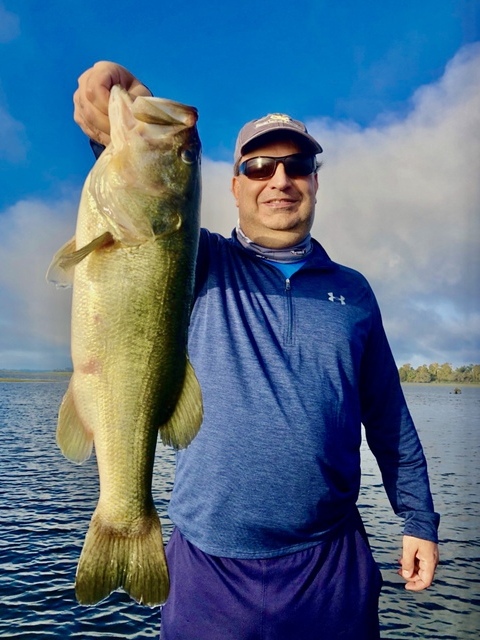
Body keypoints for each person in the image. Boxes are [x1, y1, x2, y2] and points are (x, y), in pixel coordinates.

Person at [73, 61, 440, 640]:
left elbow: (388, 415)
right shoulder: (199, 261)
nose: (280, 180)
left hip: (330, 565)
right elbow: (143, 221)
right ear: (236, 184)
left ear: (315, 181)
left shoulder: (355, 291)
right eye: (259, 166)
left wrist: (419, 518)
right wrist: (107, 130)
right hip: (208, 573)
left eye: (296, 166)